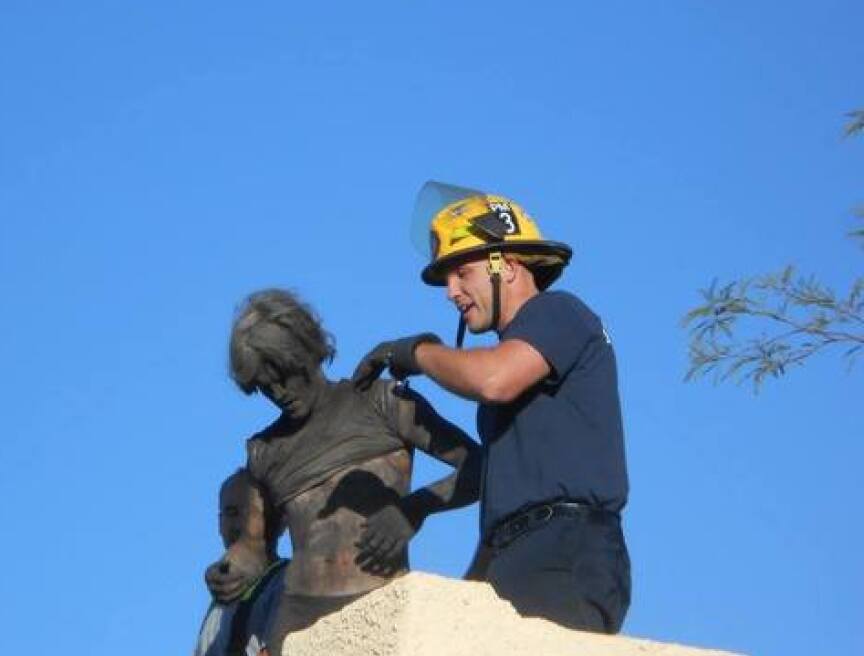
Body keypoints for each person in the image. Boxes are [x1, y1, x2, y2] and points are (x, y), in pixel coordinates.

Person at [352, 182, 631, 633]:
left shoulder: (558, 312)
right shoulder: (520, 370)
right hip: (516, 551)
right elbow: (503, 496)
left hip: (563, 549)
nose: (451, 291)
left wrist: (418, 352)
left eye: (463, 273)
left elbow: (493, 380)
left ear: (508, 265)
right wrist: (460, 603)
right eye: (447, 280)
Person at [224, 289, 481, 655]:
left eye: (284, 375)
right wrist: (233, 567)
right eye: (265, 387)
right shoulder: (264, 450)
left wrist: (414, 509)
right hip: (294, 621)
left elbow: (481, 467)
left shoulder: (381, 402)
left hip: (380, 604)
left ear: (307, 351)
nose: (279, 392)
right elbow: (256, 547)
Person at [196, 469, 288, 656]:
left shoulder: (286, 582)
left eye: (244, 512)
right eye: (229, 513)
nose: (236, 524)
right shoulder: (217, 605)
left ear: (280, 521)